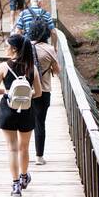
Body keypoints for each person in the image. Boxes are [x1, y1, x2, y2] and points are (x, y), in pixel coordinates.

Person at [0, 33, 43, 196]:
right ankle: (24, 177)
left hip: (8, 110)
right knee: (24, 148)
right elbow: (39, 93)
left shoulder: (3, 67)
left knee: (12, 149)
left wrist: (8, 92)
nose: (4, 48)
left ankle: (15, 186)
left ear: (13, 49)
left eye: (6, 46)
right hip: (26, 111)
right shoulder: (31, 67)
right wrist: (26, 96)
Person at [28, 16, 60, 165]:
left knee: (24, 123)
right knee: (40, 123)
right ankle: (39, 157)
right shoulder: (50, 49)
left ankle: (22, 153)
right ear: (46, 32)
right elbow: (57, 71)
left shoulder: (25, 47)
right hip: (44, 90)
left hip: (25, 91)